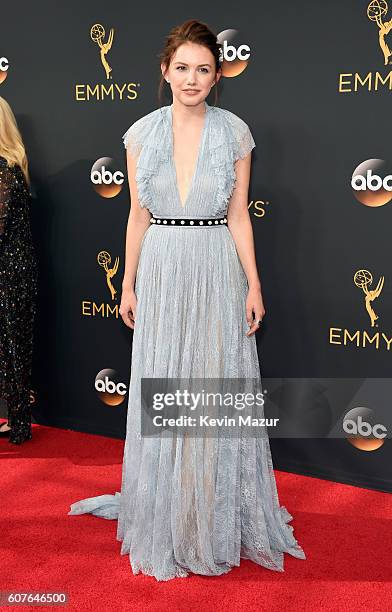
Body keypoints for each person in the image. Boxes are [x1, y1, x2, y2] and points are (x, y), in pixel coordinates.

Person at [69, 19, 306, 580]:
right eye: (182, 68)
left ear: (218, 74)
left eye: (204, 69)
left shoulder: (235, 133)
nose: (192, 79)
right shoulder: (140, 134)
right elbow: (137, 215)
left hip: (216, 265)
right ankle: (169, 515)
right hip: (163, 268)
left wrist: (253, 281)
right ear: (164, 71)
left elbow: (238, 212)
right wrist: (127, 282)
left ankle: (211, 516)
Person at [0, 96, 38, 445]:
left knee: (11, 347)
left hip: (8, 274)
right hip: (16, 271)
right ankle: (18, 422)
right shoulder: (12, 167)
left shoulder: (3, 168)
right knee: (13, 347)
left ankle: (20, 424)